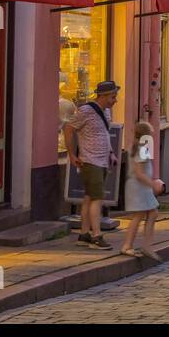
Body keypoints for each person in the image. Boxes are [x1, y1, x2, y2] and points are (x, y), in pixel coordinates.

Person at [64, 80, 120, 250]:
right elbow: (68, 129)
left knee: (89, 198)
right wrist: (72, 154)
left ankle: (84, 234)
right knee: (97, 198)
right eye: (112, 97)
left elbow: (104, 133)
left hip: (102, 160)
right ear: (102, 96)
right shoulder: (85, 111)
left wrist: (111, 153)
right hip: (89, 160)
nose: (115, 100)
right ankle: (97, 236)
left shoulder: (107, 112)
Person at [120, 121, 164, 258]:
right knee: (139, 216)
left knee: (152, 213)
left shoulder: (136, 147)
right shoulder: (141, 149)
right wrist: (153, 184)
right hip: (139, 187)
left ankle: (146, 245)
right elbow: (139, 173)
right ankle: (129, 245)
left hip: (139, 187)